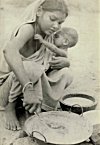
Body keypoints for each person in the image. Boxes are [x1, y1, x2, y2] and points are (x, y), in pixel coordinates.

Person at [0, 0, 73, 131]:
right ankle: (10, 107)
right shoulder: (28, 29)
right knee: (31, 67)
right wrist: (28, 89)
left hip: (29, 82)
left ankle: (43, 107)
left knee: (66, 74)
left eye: (60, 23)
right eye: (53, 19)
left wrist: (65, 62)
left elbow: (55, 58)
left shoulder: (49, 35)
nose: (56, 26)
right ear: (39, 11)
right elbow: (9, 50)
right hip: (7, 89)